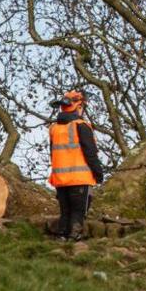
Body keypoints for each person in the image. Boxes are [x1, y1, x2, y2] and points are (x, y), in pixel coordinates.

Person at [48, 89, 105, 241]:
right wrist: (98, 173)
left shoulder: (54, 128)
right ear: (79, 106)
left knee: (65, 211)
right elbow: (90, 153)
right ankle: (74, 236)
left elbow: (52, 154)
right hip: (80, 178)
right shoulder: (82, 126)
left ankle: (61, 235)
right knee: (78, 211)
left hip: (60, 179)